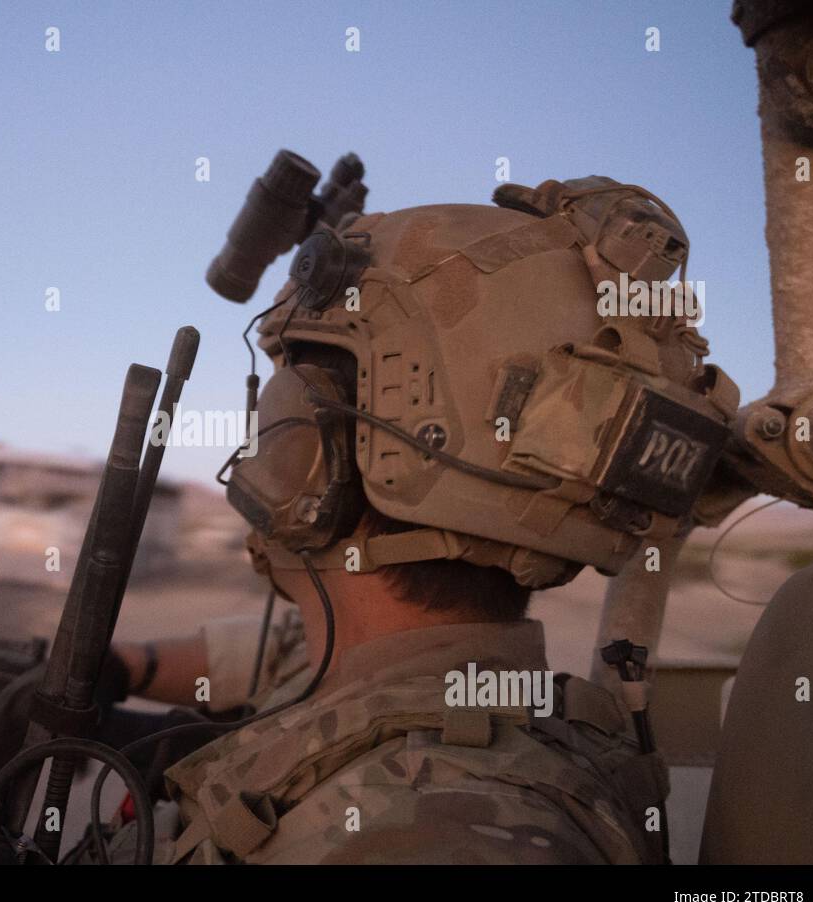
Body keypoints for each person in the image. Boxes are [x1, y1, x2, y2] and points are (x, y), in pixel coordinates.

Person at [99, 176, 739, 864]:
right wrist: (122, 670)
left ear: (310, 455)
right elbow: (276, 656)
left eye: (279, 409)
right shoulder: (474, 688)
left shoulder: (429, 836)